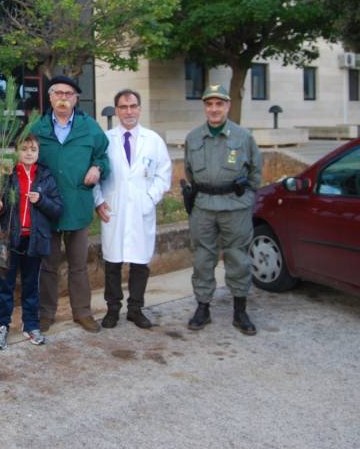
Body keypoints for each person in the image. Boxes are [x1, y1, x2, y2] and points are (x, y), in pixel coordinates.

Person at [33, 75, 110, 333]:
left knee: (79, 265)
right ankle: (45, 314)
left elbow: (103, 157)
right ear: (51, 97)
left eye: (69, 94)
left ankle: (83, 313)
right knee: (48, 266)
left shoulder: (90, 128)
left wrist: (98, 168)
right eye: (58, 93)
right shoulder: (37, 128)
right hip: (47, 208)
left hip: (78, 206)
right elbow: (23, 159)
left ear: (76, 99)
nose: (63, 98)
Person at [184, 84, 262, 335]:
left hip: (234, 207)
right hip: (204, 206)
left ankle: (240, 311)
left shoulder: (243, 137)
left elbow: (255, 174)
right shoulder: (194, 137)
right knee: (202, 258)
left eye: (219, 104)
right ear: (205, 107)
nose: (214, 109)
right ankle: (203, 307)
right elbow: (188, 172)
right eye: (209, 104)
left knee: (237, 258)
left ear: (228, 106)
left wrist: (246, 199)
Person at [94, 89, 171, 329]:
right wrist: (98, 201)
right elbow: (95, 173)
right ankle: (112, 309)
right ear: (116, 110)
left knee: (140, 263)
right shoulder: (106, 140)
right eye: (123, 107)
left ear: (139, 108)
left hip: (141, 209)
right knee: (112, 263)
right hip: (113, 208)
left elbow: (163, 173)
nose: (129, 111)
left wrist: (150, 198)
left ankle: (135, 309)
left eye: (133, 106)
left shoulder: (153, 140)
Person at [0, 133, 63, 349]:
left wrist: (41, 200)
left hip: (34, 240)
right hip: (8, 240)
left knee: (31, 285)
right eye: (24, 149)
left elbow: (58, 209)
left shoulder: (45, 177)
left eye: (33, 149)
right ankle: (1, 326)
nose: (29, 153)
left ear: (38, 153)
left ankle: (31, 324)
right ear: (16, 152)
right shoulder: (7, 174)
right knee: (5, 284)